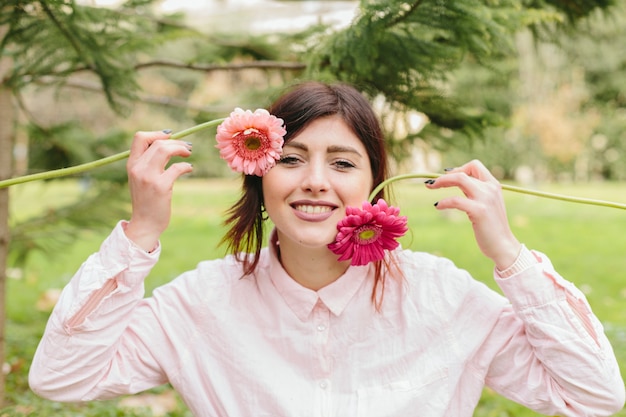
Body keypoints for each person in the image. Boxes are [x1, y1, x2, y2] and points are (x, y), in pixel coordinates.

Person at [29, 81, 624, 417]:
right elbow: (60, 378)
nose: (315, 180)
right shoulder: (200, 304)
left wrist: (510, 256)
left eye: (342, 163)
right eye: (291, 160)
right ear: (258, 177)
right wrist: (140, 233)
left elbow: (595, 396)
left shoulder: (443, 298)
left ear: (373, 184)